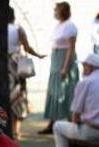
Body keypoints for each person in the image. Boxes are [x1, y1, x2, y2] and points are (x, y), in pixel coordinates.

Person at [40, 2, 79, 135]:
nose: (54, 12)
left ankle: (72, 121)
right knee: (54, 91)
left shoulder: (70, 26)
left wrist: (65, 67)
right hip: (56, 60)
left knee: (66, 92)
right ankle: (52, 123)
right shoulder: (59, 25)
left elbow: (71, 49)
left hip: (63, 61)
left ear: (62, 11)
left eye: (56, 10)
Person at [8, 7, 45, 140]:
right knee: (19, 96)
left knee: (5, 96)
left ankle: (6, 129)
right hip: (17, 65)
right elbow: (27, 47)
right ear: (13, 16)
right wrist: (38, 55)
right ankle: (16, 131)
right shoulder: (18, 29)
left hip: (3, 65)